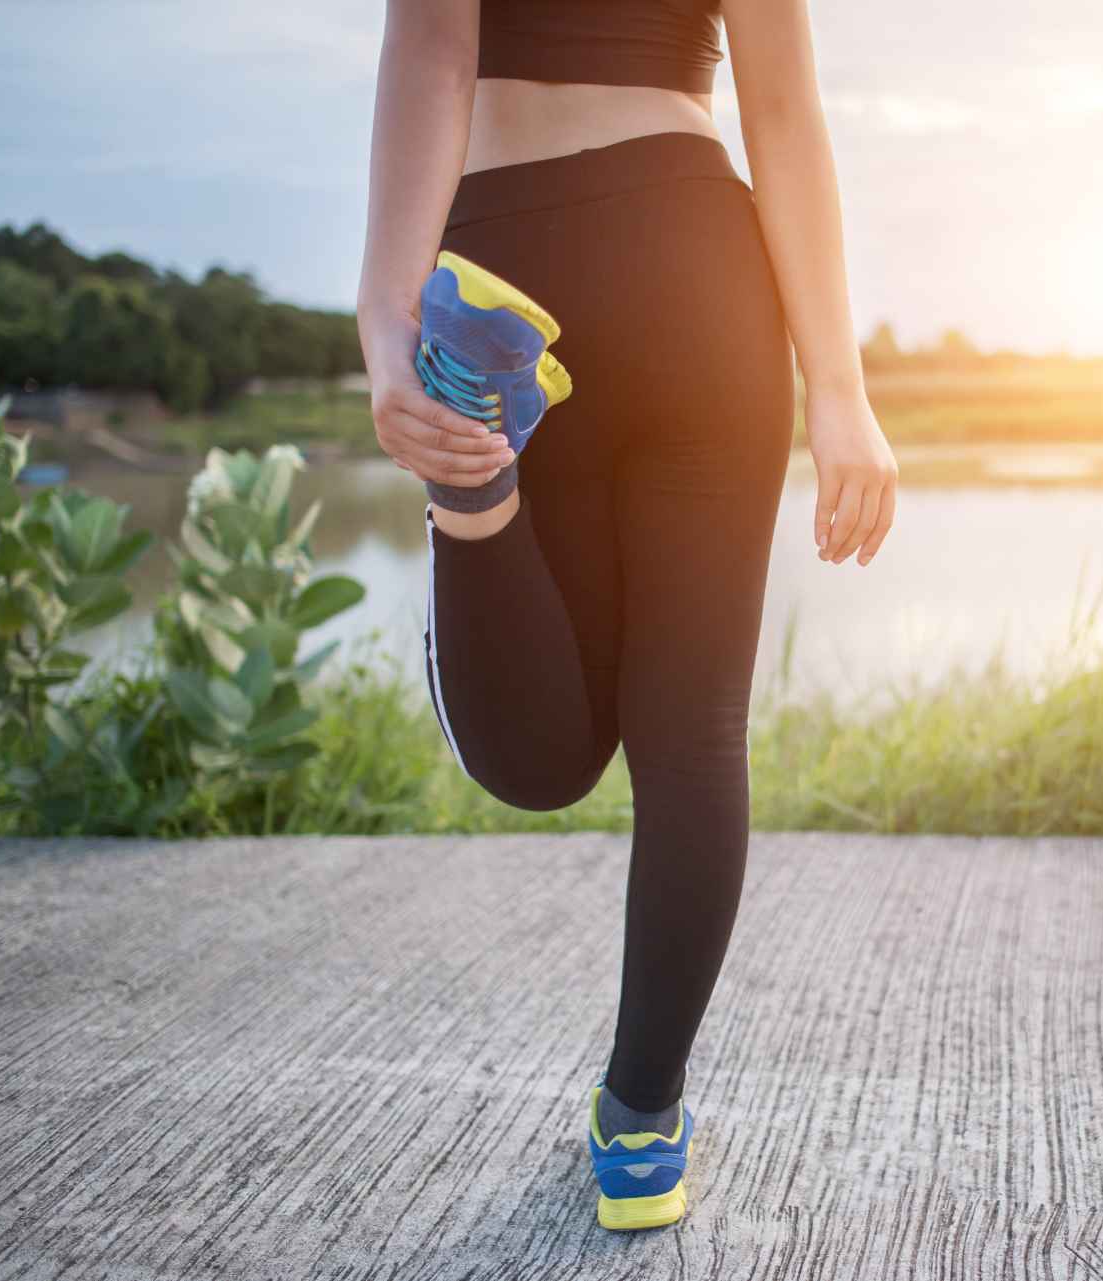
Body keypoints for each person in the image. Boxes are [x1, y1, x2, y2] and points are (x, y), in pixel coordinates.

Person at [355, 0, 898, 1231]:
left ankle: (473, 492)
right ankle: (641, 1122)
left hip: (508, 270)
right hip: (695, 262)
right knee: (692, 733)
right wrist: (842, 392)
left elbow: (433, 49)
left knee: (540, 765)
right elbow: (784, 111)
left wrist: (385, 319)